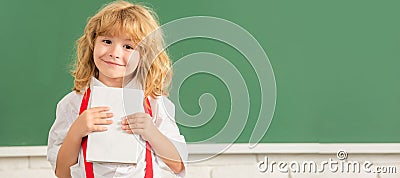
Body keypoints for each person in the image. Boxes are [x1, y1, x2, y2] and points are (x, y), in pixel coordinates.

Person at [47, 1, 187, 177]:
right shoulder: (72, 103)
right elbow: (61, 172)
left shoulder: (155, 104)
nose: (114, 52)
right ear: (92, 44)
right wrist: (76, 131)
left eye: (128, 46)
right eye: (107, 41)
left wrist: (151, 132)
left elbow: (178, 165)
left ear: (144, 56)